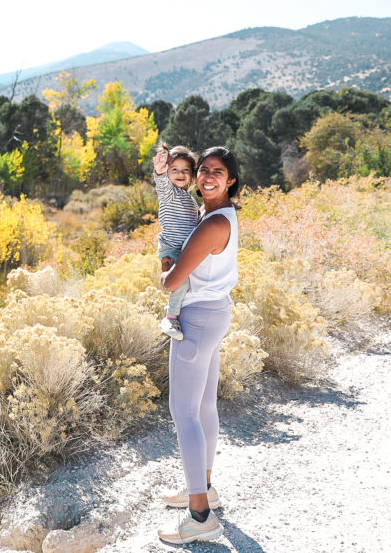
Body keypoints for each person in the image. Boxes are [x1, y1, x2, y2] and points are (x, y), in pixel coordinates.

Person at [156, 146, 240, 545]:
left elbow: (173, 282)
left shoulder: (210, 224)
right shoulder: (219, 215)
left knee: (184, 413)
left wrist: (165, 270)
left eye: (217, 172)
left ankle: (200, 517)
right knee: (204, 406)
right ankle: (203, 489)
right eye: (203, 170)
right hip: (215, 313)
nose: (207, 177)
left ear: (231, 180)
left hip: (197, 319)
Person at [152, 144, 200, 340]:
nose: (180, 174)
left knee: (189, 282)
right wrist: (160, 173)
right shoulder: (170, 193)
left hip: (185, 249)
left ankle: (177, 308)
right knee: (181, 280)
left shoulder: (189, 198)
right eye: (174, 170)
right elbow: (162, 186)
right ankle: (170, 318)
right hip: (172, 247)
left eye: (185, 170)